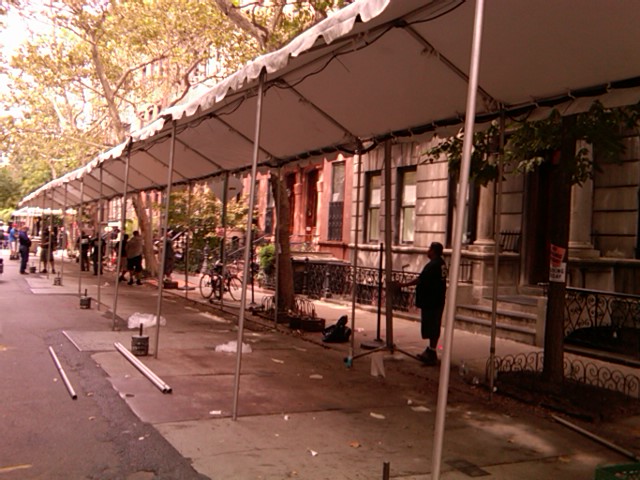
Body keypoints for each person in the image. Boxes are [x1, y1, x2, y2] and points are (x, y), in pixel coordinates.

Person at [397, 242, 448, 366]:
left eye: (430, 248)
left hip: (432, 301)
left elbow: (421, 279)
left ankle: (432, 353)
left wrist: (403, 285)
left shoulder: (433, 265)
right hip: (437, 300)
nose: (428, 251)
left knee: (431, 326)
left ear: (434, 251)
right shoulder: (441, 264)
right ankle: (431, 350)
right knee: (434, 326)